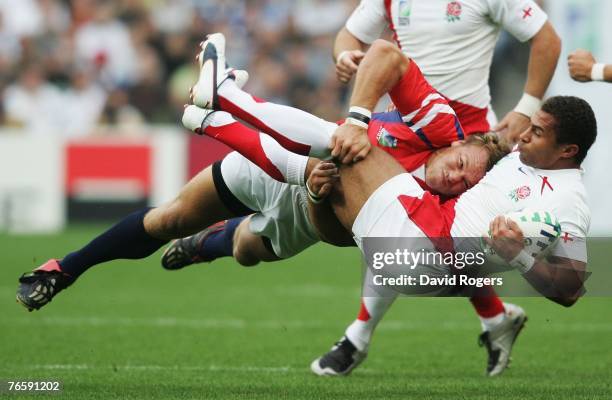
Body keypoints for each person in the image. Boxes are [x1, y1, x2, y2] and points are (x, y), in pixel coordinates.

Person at [15, 35, 503, 309]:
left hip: (313, 217)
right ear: (456, 143)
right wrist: (355, 109)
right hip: (278, 154)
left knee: (246, 250)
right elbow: (384, 53)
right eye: (460, 166)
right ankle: (65, 268)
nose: (454, 180)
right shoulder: (440, 123)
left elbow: (403, 258)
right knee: (170, 218)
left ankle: (217, 131)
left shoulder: (450, 211)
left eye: (464, 184)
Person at [334, 0, 561, 142]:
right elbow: (349, 35)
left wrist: (526, 109)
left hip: (470, 133)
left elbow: (547, 39)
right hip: (409, 130)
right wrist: (345, 55)